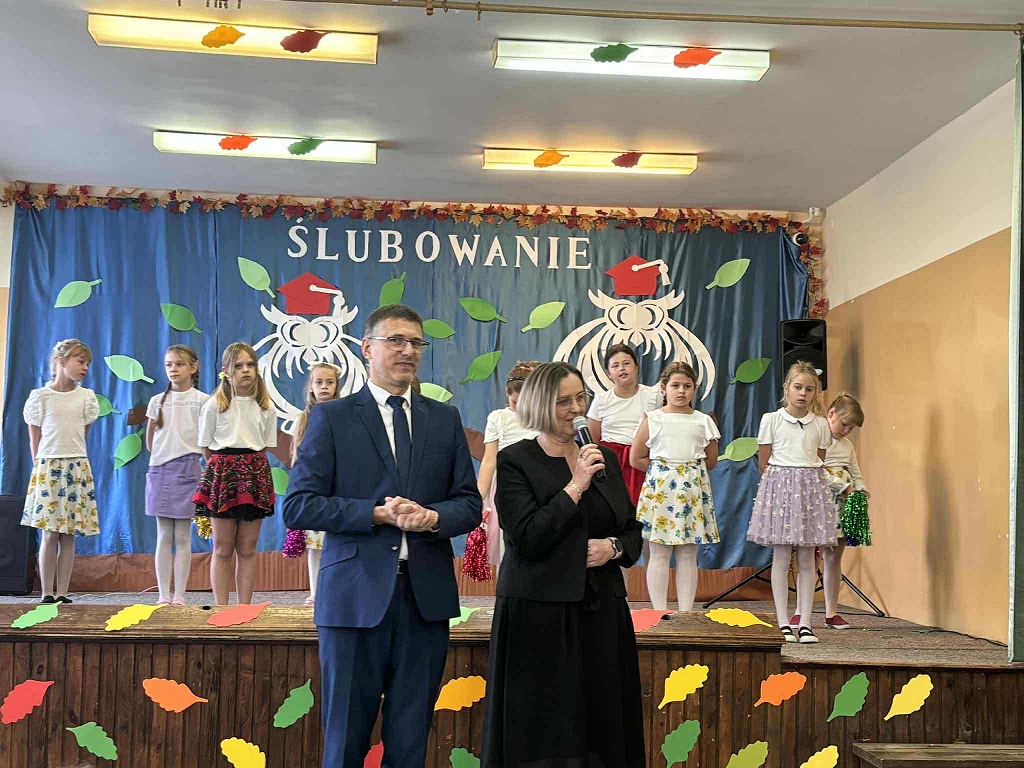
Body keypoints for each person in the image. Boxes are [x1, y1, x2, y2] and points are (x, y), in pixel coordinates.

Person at [283, 304, 481, 768]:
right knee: (345, 742)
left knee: (410, 745)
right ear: (367, 348)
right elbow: (299, 505)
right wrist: (375, 514)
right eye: (396, 340)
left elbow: (468, 504)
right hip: (352, 600)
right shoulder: (332, 417)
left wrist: (432, 518)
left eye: (416, 342)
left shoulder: (444, 418)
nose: (407, 350)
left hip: (425, 601)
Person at [482, 362, 646, 768]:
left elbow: (631, 531)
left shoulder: (603, 458)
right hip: (539, 613)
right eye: (564, 401)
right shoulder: (515, 460)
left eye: (581, 398)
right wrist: (575, 486)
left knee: (602, 728)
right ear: (540, 405)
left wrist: (612, 548)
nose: (576, 409)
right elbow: (528, 538)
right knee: (543, 733)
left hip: (601, 609)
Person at [746, 361, 834, 644]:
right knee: (782, 556)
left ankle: (805, 622)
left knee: (808, 558)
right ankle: (783, 621)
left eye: (809, 389)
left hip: (809, 490)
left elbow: (819, 458)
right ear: (787, 388)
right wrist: (781, 486)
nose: (803, 394)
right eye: (798, 387)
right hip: (781, 489)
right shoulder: (771, 420)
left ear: (815, 393)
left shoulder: (820, 424)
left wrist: (804, 480)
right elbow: (764, 461)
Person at [630, 361, 720, 612]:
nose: (681, 391)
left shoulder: (703, 421)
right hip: (662, 492)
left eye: (687, 386)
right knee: (659, 552)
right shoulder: (653, 418)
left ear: (694, 389)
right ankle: (659, 611)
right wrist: (665, 473)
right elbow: (636, 458)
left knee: (688, 553)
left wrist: (687, 472)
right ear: (664, 388)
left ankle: (686, 612)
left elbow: (711, 460)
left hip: (692, 491)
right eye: (675, 385)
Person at [193, 342, 277, 606]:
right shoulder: (214, 405)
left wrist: (246, 464)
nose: (246, 370)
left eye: (250, 365)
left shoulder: (266, 406)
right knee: (222, 547)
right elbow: (206, 447)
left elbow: (264, 444)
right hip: (223, 472)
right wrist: (226, 467)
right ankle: (221, 607)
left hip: (254, 472)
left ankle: (244, 607)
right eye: (238, 366)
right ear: (226, 371)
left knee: (248, 548)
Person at [21, 339, 100, 604]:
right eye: (80, 361)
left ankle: (63, 592)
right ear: (62, 361)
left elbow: (82, 435)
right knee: (50, 532)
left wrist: (73, 460)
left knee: (69, 534)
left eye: (87, 363)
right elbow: (35, 438)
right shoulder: (41, 397)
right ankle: (47, 592)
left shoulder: (86, 397)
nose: (85, 367)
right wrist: (40, 468)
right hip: (48, 467)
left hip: (75, 466)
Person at [146, 344, 208, 606]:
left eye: (180, 364)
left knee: (183, 535)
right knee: (164, 535)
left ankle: (180, 594)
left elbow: (206, 437)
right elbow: (150, 440)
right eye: (169, 364)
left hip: (188, 468)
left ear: (193, 368)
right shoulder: (157, 401)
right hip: (160, 469)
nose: (173, 369)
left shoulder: (203, 401)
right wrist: (164, 456)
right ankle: (163, 594)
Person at [282, 362, 342, 607]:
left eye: (330, 382)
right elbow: (297, 455)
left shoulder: (345, 415)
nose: (324, 387)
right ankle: (315, 591)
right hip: (314, 488)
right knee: (314, 544)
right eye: (319, 382)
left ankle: (336, 591)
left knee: (336, 543)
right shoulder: (304, 419)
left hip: (338, 489)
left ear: (337, 386)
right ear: (310, 387)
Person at [477, 361, 540, 566]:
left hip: (538, 486)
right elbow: (489, 461)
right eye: (514, 402)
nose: (518, 407)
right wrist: (478, 498)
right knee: (508, 546)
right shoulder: (499, 417)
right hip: (507, 487)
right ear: (507, 393)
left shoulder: (543, 418)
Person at [586, 344, 661, 507]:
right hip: (611, 463)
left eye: (626, 363)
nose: (622, 369)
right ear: (608, 373)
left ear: (636, 368)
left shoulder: (654, 397)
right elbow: (593, 439)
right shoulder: (601, 400)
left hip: (643, 461)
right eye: (615, 365)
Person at [822, 393, 870, 630]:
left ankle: (831, 612)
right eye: (844, 424)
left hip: (843, 504)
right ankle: (801, 612)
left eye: (851, 428)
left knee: (833, 558)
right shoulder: (817, 437)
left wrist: (860, 489)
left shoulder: (847, 446)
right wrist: (841, 486)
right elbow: (816, 469)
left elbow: (855, 471)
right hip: (821, 500)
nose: (847, 431)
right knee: (808, 558)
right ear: (831, 414)